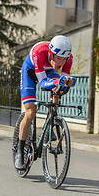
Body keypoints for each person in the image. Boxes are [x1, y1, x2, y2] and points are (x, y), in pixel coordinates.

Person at [14, 35, 76, 170]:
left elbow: (63, 83)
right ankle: (20, 150)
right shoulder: (39, 52)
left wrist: (68, 83)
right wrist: (56, 82)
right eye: (58, 58)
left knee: (58, 89)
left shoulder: (68, 59)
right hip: (30, 71)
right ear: (51, 54)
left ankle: (51, 123)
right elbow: (43, 83)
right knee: (30, 112)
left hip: (48, 71)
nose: (60, 63)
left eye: (63, 60)